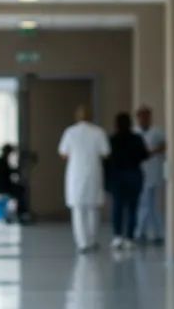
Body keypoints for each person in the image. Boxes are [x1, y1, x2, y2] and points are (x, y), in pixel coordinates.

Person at [58, 105, 110, 253]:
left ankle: (82, 243)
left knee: (78, 209)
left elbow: (63, 153)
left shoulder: (70, 132)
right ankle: (92, 240)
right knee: (93, 208)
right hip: (93, 172)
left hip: (76, 173)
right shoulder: (98, 132)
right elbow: (105, 153)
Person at [107, 112, 149, 250]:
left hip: (117, 176)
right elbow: (144, 155)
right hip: (134, 175)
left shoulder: (112, 140)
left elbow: (106, 161)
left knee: (117, 207)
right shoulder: (136, 138)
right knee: (133, 207)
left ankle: (118, 236)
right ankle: (130, 237)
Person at [135, 105, 167, 246]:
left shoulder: (158, 132)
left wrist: (153, 151)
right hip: (140, 172)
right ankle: (140, 232)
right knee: (143, 204)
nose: (144, 118)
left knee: (154, 205)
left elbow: (164, 146)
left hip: (154, 172)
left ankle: (158, 233)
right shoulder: (134, 133)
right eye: (142, 116)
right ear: (138, 117)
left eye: (147, 115)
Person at [0, 143, 26, 218]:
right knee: (20, 190)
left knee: (19, 189)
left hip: (1, 186)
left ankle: (20, 213)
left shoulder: (1, 161)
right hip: (1, 187)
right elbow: (8, 175)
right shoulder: (1, 162)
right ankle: (21, 214)